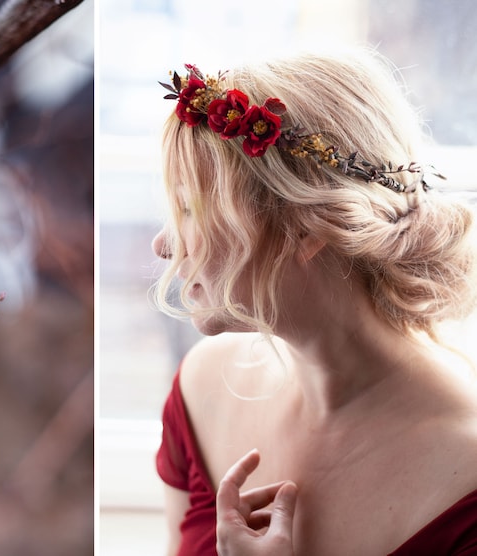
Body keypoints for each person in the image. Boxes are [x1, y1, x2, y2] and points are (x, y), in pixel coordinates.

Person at [151, 48, 477, 555]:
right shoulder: (200, 391)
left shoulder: (465, 473)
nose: (164, 245)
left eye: (191, 208)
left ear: (307, 227)